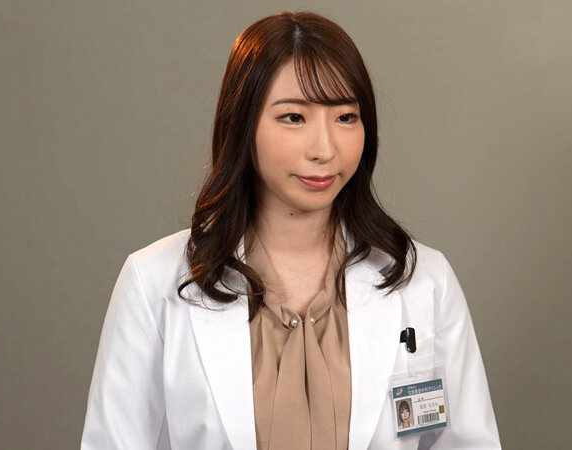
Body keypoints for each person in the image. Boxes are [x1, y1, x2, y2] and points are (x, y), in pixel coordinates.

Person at [81, 10, 500, 450]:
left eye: (345, 117)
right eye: (294, 117)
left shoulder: (424, 279)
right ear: (243, 126)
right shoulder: (154, 283)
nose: (325, 149)